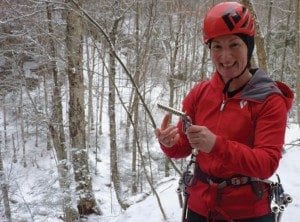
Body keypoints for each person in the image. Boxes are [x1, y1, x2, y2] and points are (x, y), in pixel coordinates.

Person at [155, 2, 294, 222]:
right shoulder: (200, 93)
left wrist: (216, 145)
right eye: (217, 47)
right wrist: (169, 143)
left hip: (247, 211)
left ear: (248, 47)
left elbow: (266, 164)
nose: (225, 56)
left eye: (234, 45)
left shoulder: (269, 100)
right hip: (201, 207)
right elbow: (184, 145)